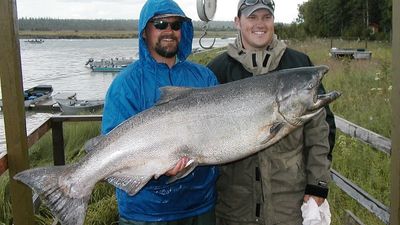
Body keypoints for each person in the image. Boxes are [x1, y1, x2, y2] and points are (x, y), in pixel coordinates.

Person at [207, 0, 336, 224]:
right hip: (234, 208)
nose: (260, 24)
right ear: (237, 22)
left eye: (266, 17)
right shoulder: (217, 70)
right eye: (252, 17)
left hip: (288, 205)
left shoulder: (299, 65)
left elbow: (320, 134)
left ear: (273, 21)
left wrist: (318, 187)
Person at [101, 0, 219, 224]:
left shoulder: (205, 78)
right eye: (161, 24)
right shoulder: (126, 84)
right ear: (144, 31)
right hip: (144, 212)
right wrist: (159, 164)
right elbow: (112, 144)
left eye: (175, 26)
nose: (169, 31)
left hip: (200, 206)